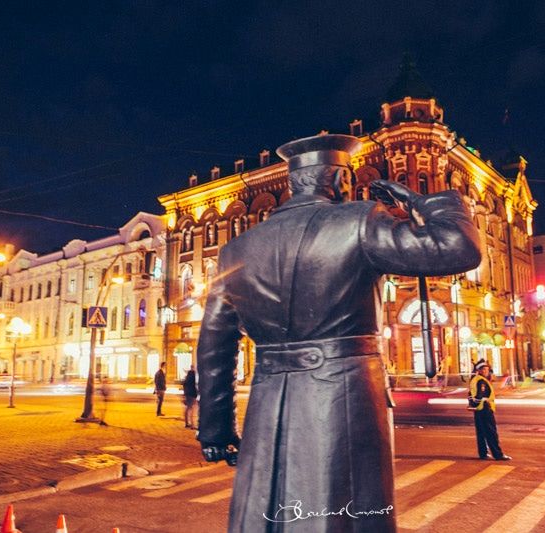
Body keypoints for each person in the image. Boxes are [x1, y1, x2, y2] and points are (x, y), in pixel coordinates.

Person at [196, 133, 482, 532]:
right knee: (343, 510)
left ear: (295, 182)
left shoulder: (237, 250)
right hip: (345, 394)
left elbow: (213, 345)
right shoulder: (357, 221)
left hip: (267, 401)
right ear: (337, 180)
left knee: (266, 508)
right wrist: (424, 202)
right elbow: (457, 247)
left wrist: (216, 428)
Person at [468, 359, 511, 461]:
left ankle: (483, 454)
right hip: (485, 409)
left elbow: (470, 394)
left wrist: (473, 404)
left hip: (478, 410)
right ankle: (498, 454)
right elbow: (479, 395)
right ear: (479, 370)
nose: (486, 371)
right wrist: (480, 402)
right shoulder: (481, 381)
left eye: (487, 369)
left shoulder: (474, 379)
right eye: (483, 369)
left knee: (481, 433)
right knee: (491, 433)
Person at [183, 365, 198, 429]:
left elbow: (184, 385)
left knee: (188, 408)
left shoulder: (187, 377)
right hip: (192, 394)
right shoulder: (194, 376)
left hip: (188, 394)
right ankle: (193, 424)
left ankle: (186, 423)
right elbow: (196, 386)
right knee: (193, 409)